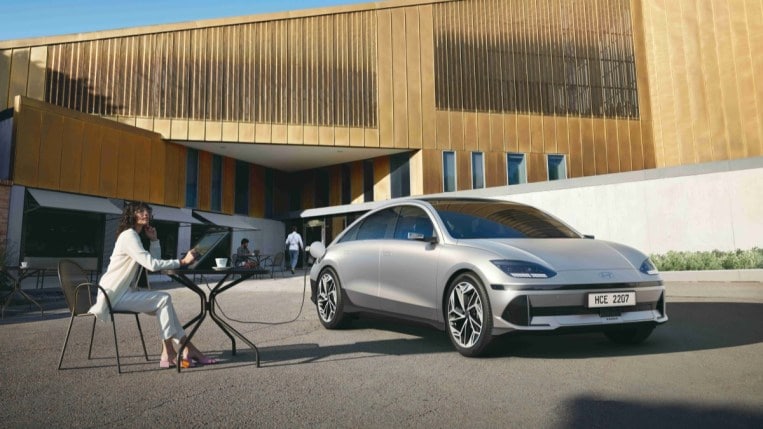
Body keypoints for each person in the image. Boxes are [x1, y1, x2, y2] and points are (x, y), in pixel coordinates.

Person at [88, 202, 217, 369]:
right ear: (132, 215)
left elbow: (151, 264)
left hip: (124, 293)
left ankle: (186, 349)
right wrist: (182, 261)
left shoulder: (135, 236)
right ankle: (172, 352)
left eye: (147, 211)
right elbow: (152, 265)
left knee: (165, 305)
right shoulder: (129, 236)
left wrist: (154, 240)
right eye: (140, 211)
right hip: (114, 295)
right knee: (164, 299)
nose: (145, 213)